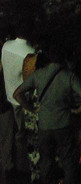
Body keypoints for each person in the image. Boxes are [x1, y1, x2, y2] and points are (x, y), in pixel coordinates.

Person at [13, 46, 81, 184]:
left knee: (46, 161)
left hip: (44, 125)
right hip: (63, 124)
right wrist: (77, 110)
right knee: (68, 161)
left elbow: (17, 94)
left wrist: (31, 108)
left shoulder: (38, 75)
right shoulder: (69, 75)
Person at [1, 20, 35, 176]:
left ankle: (10, 164)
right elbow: (30, 80)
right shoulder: (30, 52)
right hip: (20, 100)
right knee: (21, 137)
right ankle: (23, 168)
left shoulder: (6, 46)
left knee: (8, 136)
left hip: (6, 96)